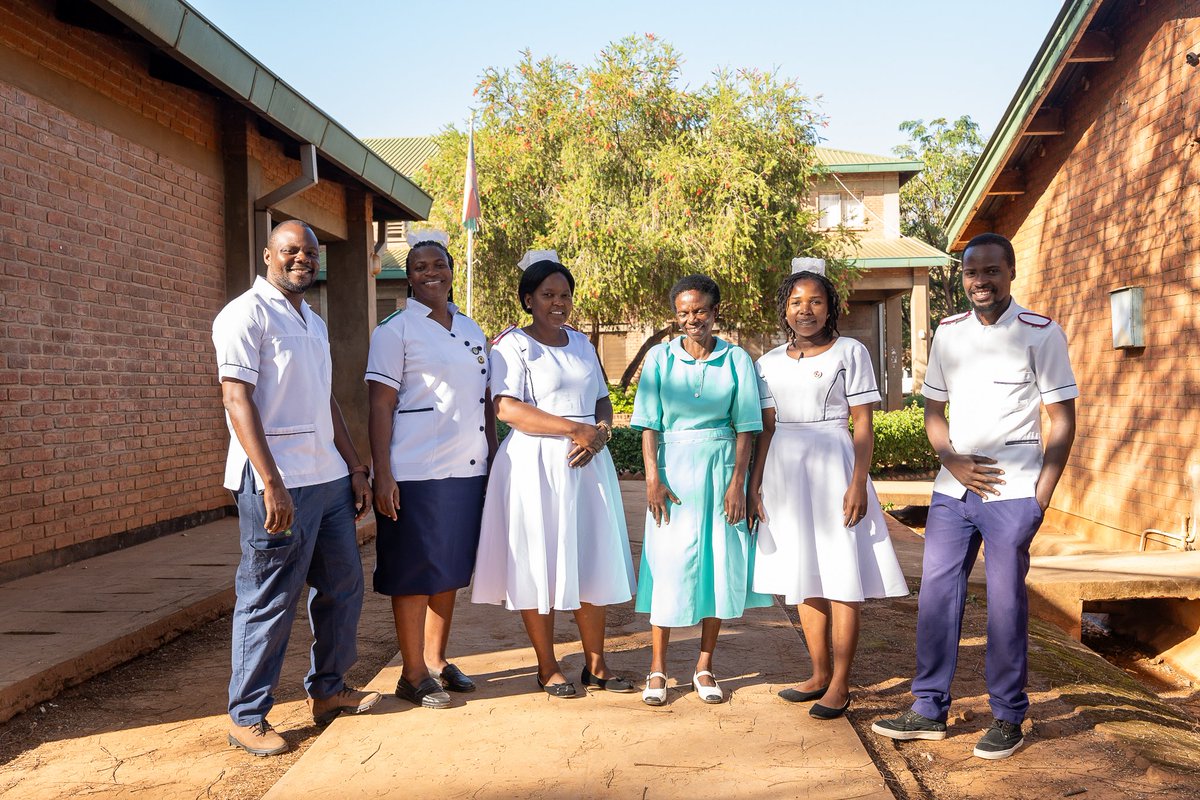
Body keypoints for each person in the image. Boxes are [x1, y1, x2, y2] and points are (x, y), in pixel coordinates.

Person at [871, 232, 1078, 760]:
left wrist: (1042, 497)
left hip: (1014, 491)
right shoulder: (949, 333)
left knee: (1007, 603)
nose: (980, 281)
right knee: (938, 596)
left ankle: (1009, 715)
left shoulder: (1041, 333)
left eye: (990, 271)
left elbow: (1063, 419)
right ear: (961, 277)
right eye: (971, 272)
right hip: (952, 490)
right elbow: (934, 412)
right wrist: (951, 460)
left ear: (1010, 273)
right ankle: (927, 709)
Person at [211, 219, 381, 757]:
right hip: (276, 483)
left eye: (309, 252)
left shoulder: (311, 319)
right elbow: (236, 399)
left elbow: (324, 401)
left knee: (342, 588)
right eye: (290, 251)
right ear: (268, 255)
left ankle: (329, 691)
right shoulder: (244, 314)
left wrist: (354, 465)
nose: (302, 259)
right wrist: (271, 483)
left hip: (326, 478)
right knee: (269, 598)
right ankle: (246, 715)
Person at [748, 261, 908, 720]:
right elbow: (767, 427)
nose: (806, 310)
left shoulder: (850, 351)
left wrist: (858, 481)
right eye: (796, 302)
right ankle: (817, 673)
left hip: (835, 465)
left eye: (815, 301)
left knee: (841, 573)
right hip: (784, 470)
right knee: (804, 574)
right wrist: (756, 484)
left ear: (830, 306)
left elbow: (862, 422)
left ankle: (840, 683)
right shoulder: (768, 362)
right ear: (784, 310)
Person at [472, 251, 636, 698]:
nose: (558, 302)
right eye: (548, 294)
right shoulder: (512, 345)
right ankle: (547, 667)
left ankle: (597, 665)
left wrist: (598, 431)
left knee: (591, 558)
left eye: (564, 295)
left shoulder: (581, 343)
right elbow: (506, 408)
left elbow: (602, 397)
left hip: (588, 464)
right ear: (528, 299)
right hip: (536, 465)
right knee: (537, 562)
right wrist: (573, 430)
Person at [366, 230, 497, 709]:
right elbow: (380, 406)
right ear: (409, 276)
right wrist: (384, 473)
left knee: (448, 570)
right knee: (413, 572)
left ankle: (438, 661)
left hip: (468, 467)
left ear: (450, 269)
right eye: (420, 267)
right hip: (414, 469)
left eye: (438, 264)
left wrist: (494, 453)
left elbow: (486, 401)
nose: (430, 273)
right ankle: (412, 672)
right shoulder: (394, 331)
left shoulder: (471, 329)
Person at [631, 274, 771, 707]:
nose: (692, 319)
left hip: (722, 469)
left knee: (716, 566)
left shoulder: (737, 360)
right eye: (684, 313)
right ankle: (657, 669)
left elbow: (748, 426)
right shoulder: (659, 359)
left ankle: (704, 666)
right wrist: (653, 479)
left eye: (700, 311)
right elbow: (649, 425)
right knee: (669, 567)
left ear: (715, 313)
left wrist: (739, 486)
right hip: (673, 474)